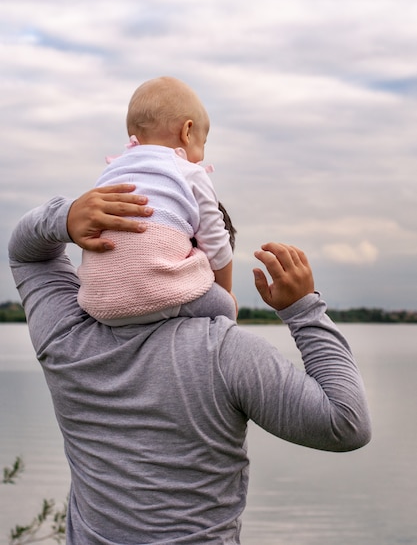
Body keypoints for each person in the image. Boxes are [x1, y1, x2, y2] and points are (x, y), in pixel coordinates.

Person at [8, 185, 371, 545]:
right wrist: (303, 309)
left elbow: (28, 254)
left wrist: (66, 216)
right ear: (203, 262)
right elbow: (345, 424)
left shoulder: (66, 336)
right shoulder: (223, 351)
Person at [77, 76, 236, 325]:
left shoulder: (111, 170)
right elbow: (216, 243)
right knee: (226, 306)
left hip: (99, 304)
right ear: (187, 131)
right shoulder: (190, 172)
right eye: (203, 143)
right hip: (160, 296)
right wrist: (225, 292)